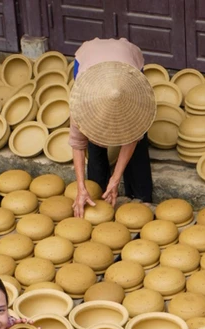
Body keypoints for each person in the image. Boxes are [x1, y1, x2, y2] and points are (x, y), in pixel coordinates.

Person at [68, 38, 157, 218]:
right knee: (95, 141)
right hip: (88, 57)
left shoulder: (133, 100)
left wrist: (116, 180)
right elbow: (78, 144)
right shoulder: (81, 106)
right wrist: (81, 187)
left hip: (126, 60)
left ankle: (141, 195)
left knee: (138, 140)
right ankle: (97, 190)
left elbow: (134, 137)